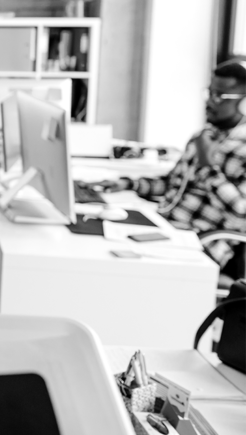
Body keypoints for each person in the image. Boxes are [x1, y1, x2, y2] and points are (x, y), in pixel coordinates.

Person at [102, 58, 246, 279]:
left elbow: (241, 210)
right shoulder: (204, 136)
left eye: (221, 96)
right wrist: (127, 183)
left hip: (202, 243)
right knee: (102, 238)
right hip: (166, 227)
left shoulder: (241, 148)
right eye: (210, 92)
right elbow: (174, 184)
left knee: (117, 269)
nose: (211, 101)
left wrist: (208, 165)